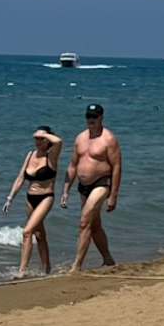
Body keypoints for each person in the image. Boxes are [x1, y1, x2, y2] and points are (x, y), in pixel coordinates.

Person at [62, 104, 121, 273]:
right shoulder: (80, 138)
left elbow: (117, 167)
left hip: (101, 183)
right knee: (94, 226)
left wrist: (113, 196)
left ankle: (76, 266)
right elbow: (73, 165)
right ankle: (108, 260)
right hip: (83, 186)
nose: (91, 120)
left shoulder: (108, 139)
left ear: (101, 117)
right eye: (88, 116)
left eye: (94, 117)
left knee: (84, 222)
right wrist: (65, 190)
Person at [4, 127, 62, 278]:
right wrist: (10, 198)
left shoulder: (51, 156)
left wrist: (44, 134)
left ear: (48, 140)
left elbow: (59, 141)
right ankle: (46, 269)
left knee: (27, 232)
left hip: (46, 197)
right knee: (39, 234)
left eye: (41, 138)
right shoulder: (30, 154)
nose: (38, 141)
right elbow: (20, 178)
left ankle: (22, 271)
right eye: (36, 138)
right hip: (30, 199)